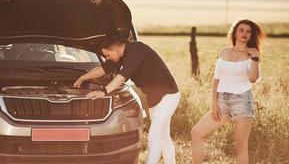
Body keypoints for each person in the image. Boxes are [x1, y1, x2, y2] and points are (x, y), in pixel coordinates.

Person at [73, 32, 180, 164]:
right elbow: (103, 69)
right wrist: (83, 77)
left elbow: (122, 77)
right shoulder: (120, 56)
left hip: (168, 96)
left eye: (107, 55)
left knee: (155, 137)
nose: (107, 58)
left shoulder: (137, 50)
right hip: (154, 99)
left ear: (117, 48)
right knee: (164, 137)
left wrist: (104, 91)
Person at [191, 19, 265, 164]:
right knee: (196, 133)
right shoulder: (224, 52)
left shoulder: (251, 55)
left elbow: (253, 78)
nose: (244, 33)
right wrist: (214, 103)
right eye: (241, 30)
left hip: (242, 101)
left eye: (248, 31)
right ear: (235, 33)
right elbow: (216, 79)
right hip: (222, 101)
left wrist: (255, 58)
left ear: (251, 35)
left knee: (240, 147)